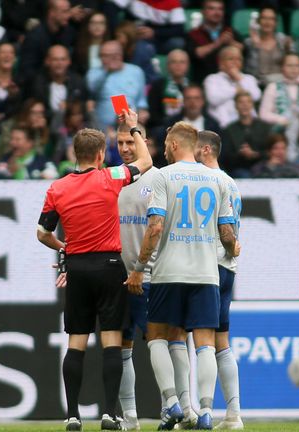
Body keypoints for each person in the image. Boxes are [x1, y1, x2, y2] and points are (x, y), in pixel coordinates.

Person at [37, 109, 152, 431]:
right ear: (101, 154)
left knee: (76, 341)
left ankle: (72, 415)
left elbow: (42, 233)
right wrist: (134, 128)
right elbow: (145, 163)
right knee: (112, 340)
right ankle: (108, 412)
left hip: (77, 267)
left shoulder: (57, 188)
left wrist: (65, 248)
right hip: (109, 266)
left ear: (76, 154)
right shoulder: (110, 177)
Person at [126, 121, 238, 430]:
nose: (162, 149)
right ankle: (204, 411)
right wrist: (233, 249)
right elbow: (227, 233)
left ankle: (173, 403)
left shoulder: (162, 176)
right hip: (206, 273)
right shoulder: (219, 180)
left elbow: (155, 227)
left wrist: (138, 268)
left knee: (157, 336)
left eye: (164, 144)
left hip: (169, 272)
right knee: (205, 343)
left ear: (175, 145)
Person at [193, 130, 244, 429]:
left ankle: (203, 410)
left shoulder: (208, 181)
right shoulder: (232, 183)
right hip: (228, 267)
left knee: (202, 341)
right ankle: (234, 414)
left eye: (196, 149)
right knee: (221, 340)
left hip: (210, 265)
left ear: (207, 149)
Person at [113, 121, 160, 431]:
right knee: (121, 347)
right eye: (120, 143)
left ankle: (178, 408)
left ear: (144, 144)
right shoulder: (112, 178)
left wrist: (141, 271)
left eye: (131, 142)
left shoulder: (158, 179)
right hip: (118, 276)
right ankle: (130, 419)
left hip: (153, 277)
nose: (126, 148)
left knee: (165, 345)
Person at [86, 40, 149, 130]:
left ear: (121, 55)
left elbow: (142, 100)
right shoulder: (94, 73)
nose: (110, 58)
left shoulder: (136, 71)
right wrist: (107, 72)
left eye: (114, 55)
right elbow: (92, 90)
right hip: (102, 127)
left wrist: (143, 111)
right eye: (105, 55)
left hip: (131, 125)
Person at [258, 53, 299, 151]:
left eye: (296, 65)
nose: (293, 69)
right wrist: (282, 119)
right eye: (289, 65)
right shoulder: (273, 87)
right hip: (282, 129)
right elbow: (263, 114)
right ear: (282, 68)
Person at [28, 44, 88, 132]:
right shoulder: (37, 83)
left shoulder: (78, 82)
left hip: (73, 131)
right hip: (44, 129)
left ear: (69, 61)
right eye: (55, 59)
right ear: (47, 61)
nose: (59, 63)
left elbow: (84, 108)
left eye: (63, 59)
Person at [18, 0, 80, 85]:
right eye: (64, 11)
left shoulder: (70, 33)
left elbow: (75, 65)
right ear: (52, 12)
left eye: (69, 11)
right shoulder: (34, 37)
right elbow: (27, 70)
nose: (68, 15)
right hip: (39, 86)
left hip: (65, 84)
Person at [203, 45, 261, 128]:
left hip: (248, 126)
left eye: (239, 59)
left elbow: (256, 96)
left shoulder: (249, 78)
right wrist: (236, 90)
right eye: (231, 59)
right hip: (221, 126)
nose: (235, 62)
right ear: (221, 63)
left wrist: (239, 79)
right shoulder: (212, 79)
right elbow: (213, 99)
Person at [186, 0, 244, 82]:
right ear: (203, 12)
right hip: (203, 80)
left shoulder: (230, 32)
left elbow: (244, 50)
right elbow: (195, 53)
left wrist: (231, 42)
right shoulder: (193, 34)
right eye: (211, 9)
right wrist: (218, 43)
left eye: (220, 9)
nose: (217, 13)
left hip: (231, 80)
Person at [221, 91, 271, 178]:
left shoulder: (264, 127)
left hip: (262, 167)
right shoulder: (229, 130)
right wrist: (241, 154)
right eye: (241, 102)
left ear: (252, 105)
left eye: (248, 102)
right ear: (236, 106)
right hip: (239, 168)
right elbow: (226, 156)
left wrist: (255, 154)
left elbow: (269, 151)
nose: (245, 105)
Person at [243, 6, 293, 87]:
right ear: (258, 21)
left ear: (276, 23)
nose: (267, 22)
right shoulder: (249, 42)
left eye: (271, 19)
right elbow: (249, 71)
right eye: (264, 18)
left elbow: (293, 65)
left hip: (281, 84)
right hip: (258, 85)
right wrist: (255, 47)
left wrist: (288, 49)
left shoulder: (283, 40)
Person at [148, 48, 190, 130]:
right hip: (165, 129)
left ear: (188, 65)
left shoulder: (193, 88)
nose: (178, 65)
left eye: (182, 62)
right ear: (167, 65)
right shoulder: (157, 85)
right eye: (174, 62)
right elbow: (154, 115)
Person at [114, 20, 160, 85]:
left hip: (148, 86)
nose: (117, 40)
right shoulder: (123, 50)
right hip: (132, 86)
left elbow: (135, 78)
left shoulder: (142, 50)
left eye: (119, 36)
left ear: (128, 36)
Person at [73, 12, 110, 77]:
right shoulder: (79, 49)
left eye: (101, 23)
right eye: (93, 23)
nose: (97, 26)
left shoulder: (111, 48)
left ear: (106, 27)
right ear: (88, 26)